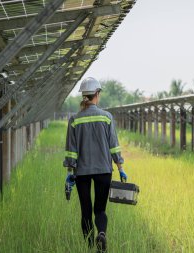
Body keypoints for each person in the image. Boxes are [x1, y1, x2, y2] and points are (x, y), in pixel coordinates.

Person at [63, 77, 127, 252]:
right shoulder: (107, 118)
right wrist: (121, 168)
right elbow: (114, 145)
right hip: (104, 170)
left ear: (84, 96)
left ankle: (90, 246)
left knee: (86, 210)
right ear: (97, 94)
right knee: (100, 209)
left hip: (81, 172)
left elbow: (71, 151)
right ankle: (102, 234)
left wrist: (70, 172)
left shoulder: (74, 120)